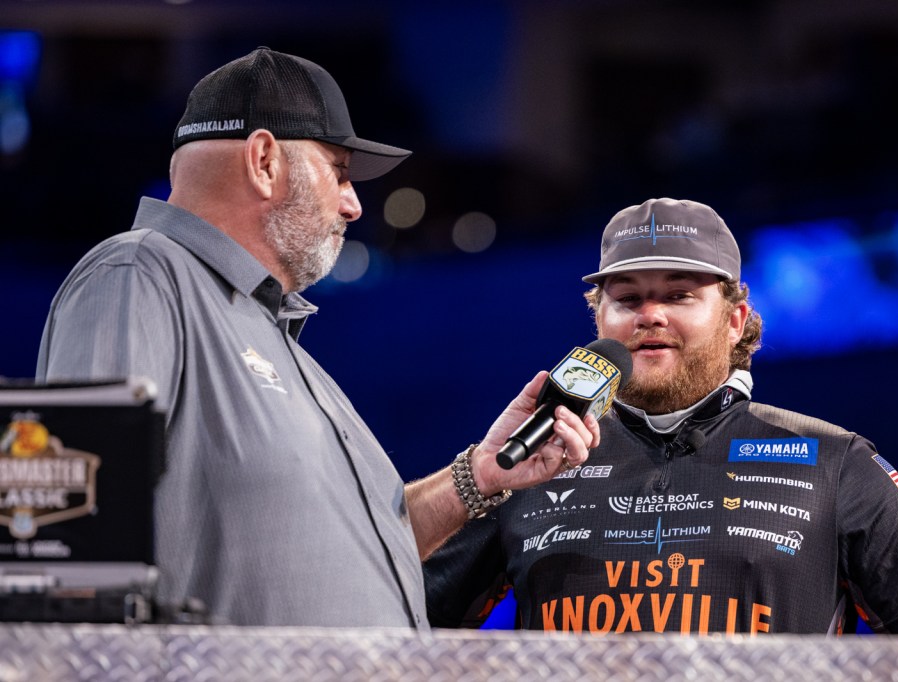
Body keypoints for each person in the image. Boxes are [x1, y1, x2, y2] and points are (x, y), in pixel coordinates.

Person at [35, 47, 598, 628]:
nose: (354, 205)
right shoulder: (139, 274)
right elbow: (73, 543)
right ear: (264, 161)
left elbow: (368, 553)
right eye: (340, 172)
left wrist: (478, 476)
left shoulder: (272, 334)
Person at [423, 197, 898, 636]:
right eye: (627, 299)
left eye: (679, 295)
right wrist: (480, 475)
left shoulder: (835, 461)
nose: (650, 315)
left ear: (735, 321)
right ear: (599, 320)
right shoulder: (529, 461)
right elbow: (396, 609)